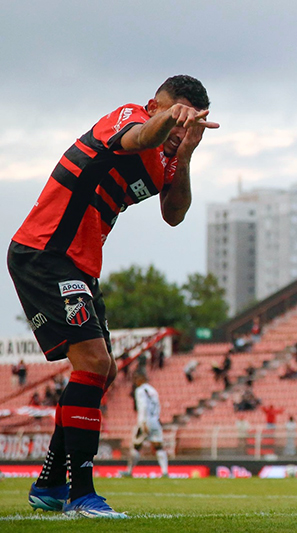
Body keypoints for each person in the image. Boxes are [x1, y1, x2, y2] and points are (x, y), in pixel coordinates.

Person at [13, 75, 217, 518]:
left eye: (187, 122)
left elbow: (174, 214)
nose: (177, 129)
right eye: (174, 115)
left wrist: (187, 152)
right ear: (153, 105)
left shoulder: (168, 158)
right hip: (45, 252)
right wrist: (166, 122)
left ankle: (50, 481)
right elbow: (142, 134)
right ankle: (81, 493)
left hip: (79, 264)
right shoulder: (130, 117)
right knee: (96, 364)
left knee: (101, 374)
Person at [120, 373, 168, 479]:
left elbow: (143, 406)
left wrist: (143, 422)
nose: (135, 382)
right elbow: (157, 406)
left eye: (136, 379)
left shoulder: (140, 390)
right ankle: (165, 472)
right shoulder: (153, 391)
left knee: (136, 446)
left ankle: (129, 471)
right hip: (155, 421)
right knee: (158, 446)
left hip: (146, 421)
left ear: (140, 380)